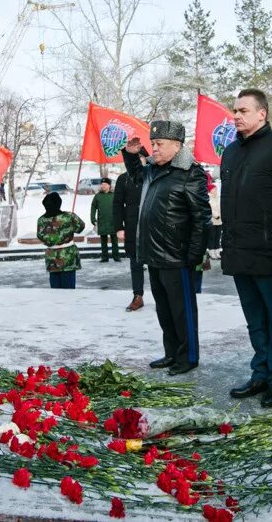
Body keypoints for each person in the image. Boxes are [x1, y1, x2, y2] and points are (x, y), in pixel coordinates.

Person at [220, 89, 272, 408]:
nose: (237, 115)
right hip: (239, 251)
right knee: (254, 318)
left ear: (262, 114)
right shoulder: (230, 152)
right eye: (235, 110)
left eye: (244, 110)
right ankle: (261, 373)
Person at [123, 122, 211, 377]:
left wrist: (194, 254)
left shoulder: (190, 173)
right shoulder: (152, 170)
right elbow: (136, 175)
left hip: (178, 256)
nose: (155, 149)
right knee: (164, 310)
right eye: (154, 143)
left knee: (182, 311)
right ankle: (172, 352)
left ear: (177, 146)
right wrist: (131, 155)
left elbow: (201, 217)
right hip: (154, 254)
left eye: (160, 144)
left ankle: (188, 356)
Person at [113, 153, 147, 311]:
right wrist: (119, 227)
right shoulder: (123, 179)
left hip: (152, 223)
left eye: (140, 160)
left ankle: (164, 297)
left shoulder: (152, 175)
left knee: (157, 264)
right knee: (135, 262)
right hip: (132, 225)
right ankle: (138, 295)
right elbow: (117, 204)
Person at [36, 192, 85, 289]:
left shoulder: (41, 220)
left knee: (55, 290)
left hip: (52, 258)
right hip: (68, 256)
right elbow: (81, 228)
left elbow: (40, 235)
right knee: (69, 289)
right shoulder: (69, 217)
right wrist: (72, 219)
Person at [90, 178, 120, 263]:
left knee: (114, 240)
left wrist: (120, 219)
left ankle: (116, 256)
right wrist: (92, 218)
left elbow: (119, 207)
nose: (103, 186)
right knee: (103, 240)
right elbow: (93, 207)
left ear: (109, 185)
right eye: (102, 184)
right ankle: (104, 257)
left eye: (105, 184)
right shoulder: (98, 196)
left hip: (113, 221)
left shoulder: (114, 195)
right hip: (102, 221)